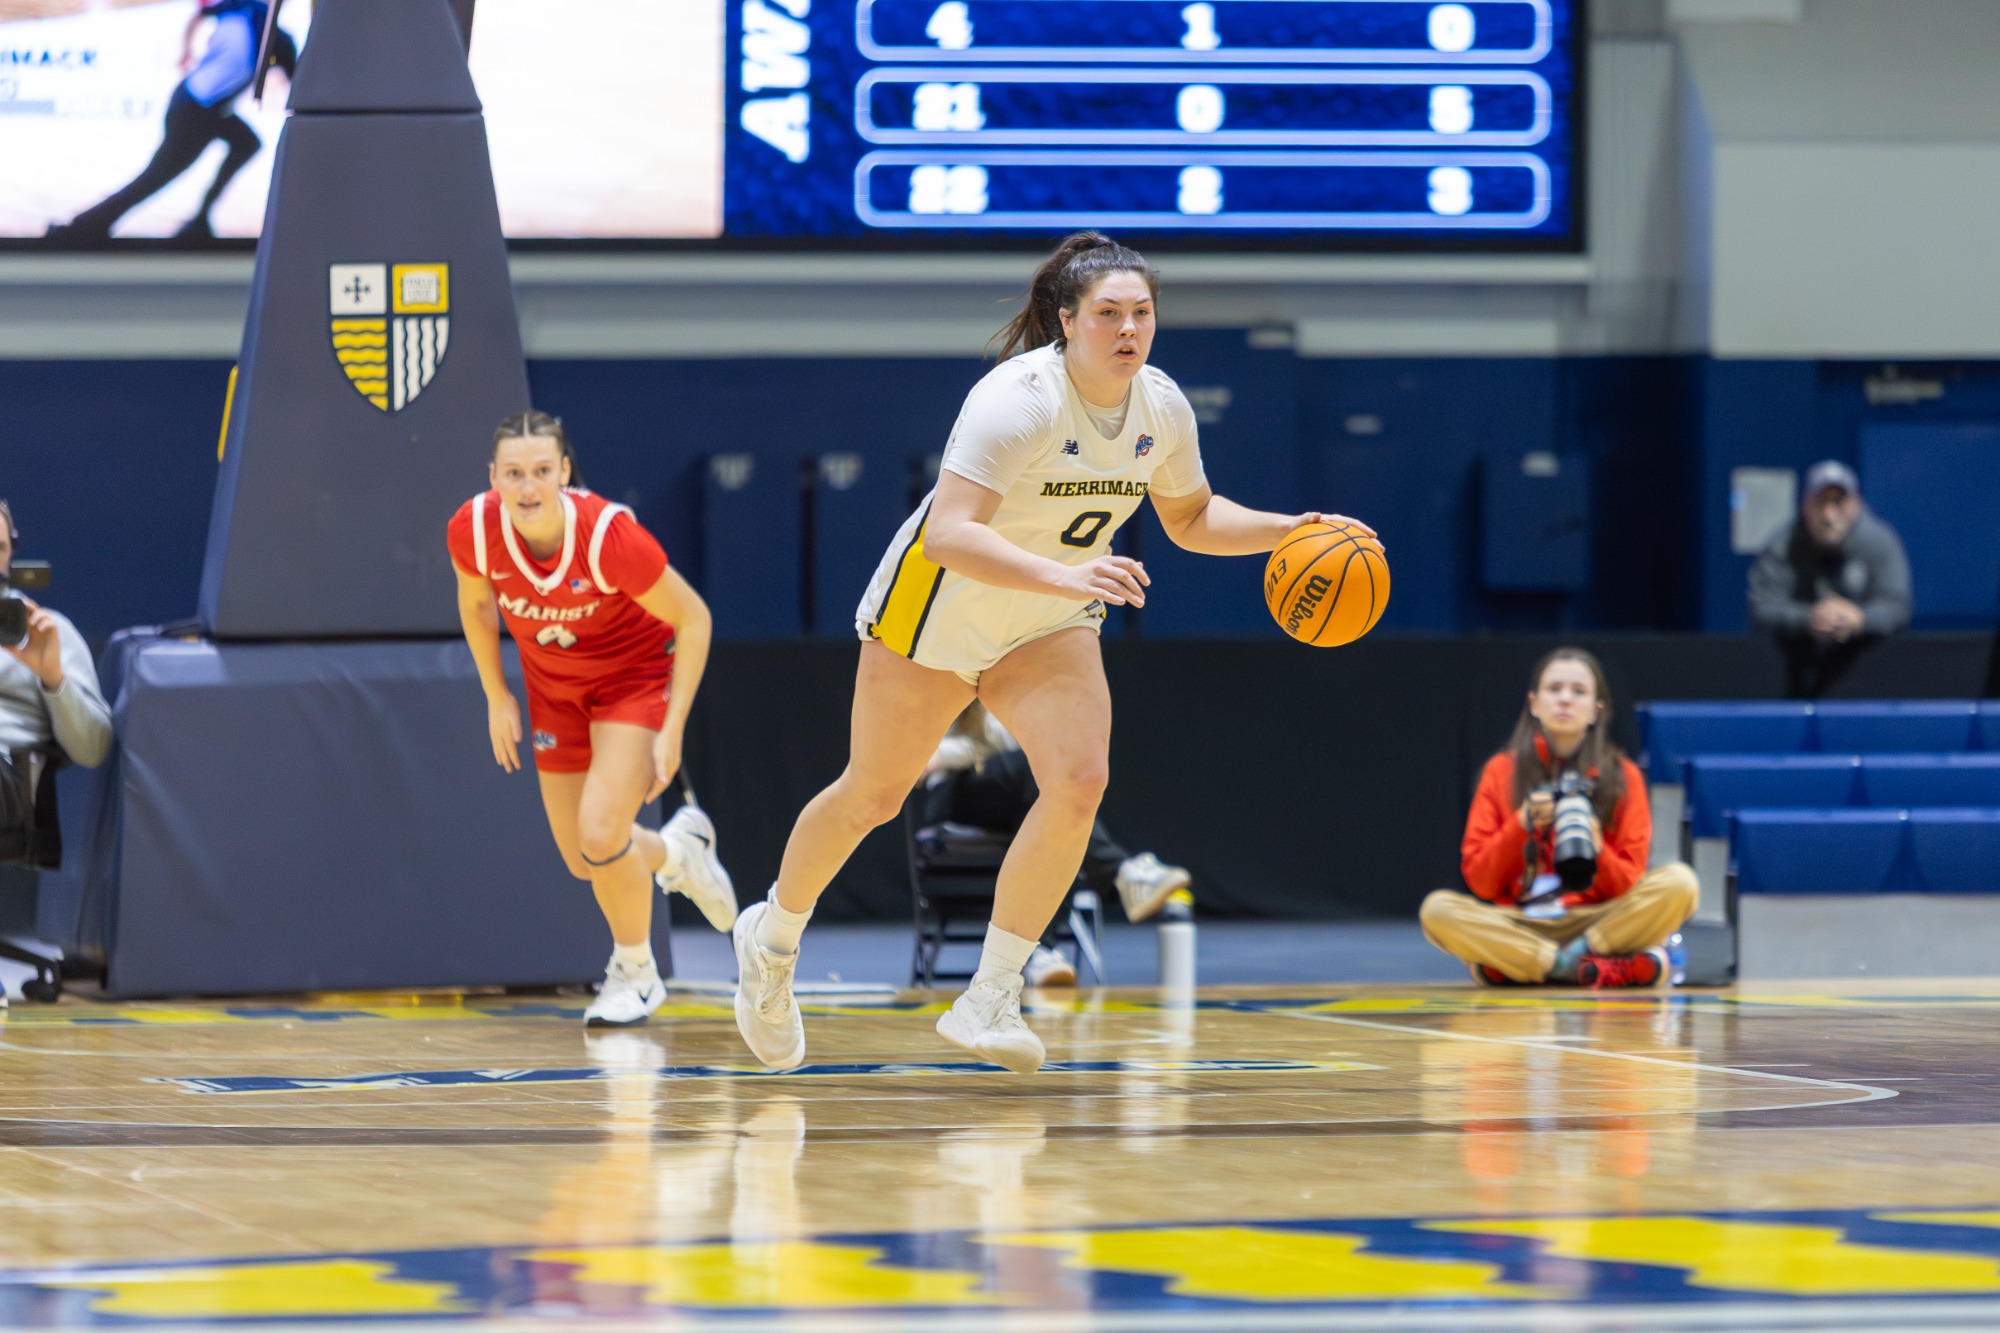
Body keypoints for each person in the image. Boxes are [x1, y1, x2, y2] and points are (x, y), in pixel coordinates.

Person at [730, 231, 1375, 1074]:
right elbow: (952, 534)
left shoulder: (1162, 407)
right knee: (873, 795)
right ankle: (772, 942)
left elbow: (1190, 517)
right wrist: (1065, 573)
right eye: (1108, 313)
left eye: (1142, 313)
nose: (1128, 329)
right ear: (1066, 321)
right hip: (940, 605)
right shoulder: (1018, 398)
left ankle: (991, 993)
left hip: (1049, 613)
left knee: (1078, 781)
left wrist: (1292, 530)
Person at [447, 412, 736, 1027]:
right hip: (555, 693)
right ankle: (677, 853)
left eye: (542, 472)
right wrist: (498, 695)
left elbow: (695, 619)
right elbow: (474, 603)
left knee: (603, 835)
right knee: (585, 857)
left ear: (565, 473)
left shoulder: (608, 537)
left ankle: (635, 973)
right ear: (493, 477)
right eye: (515, 473)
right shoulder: (472, 530)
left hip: (631, 681)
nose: (528, 488)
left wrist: (674, 728)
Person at [1420, 648, 1698, 988]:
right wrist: (1521, 826)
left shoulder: (1622, 775)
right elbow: (1480, 882)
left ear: (1598, 709)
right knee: (1437, 911)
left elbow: (1628, 882)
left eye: (1579, 692)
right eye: (1554, 689)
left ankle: (1521, 965)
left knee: (1681, 883)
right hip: (1522, 920)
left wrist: (1597, 847)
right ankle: (1578, 966)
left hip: (1599, 921)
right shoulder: (1502, 771)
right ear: (1534, 703)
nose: (1565, 699)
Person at [921, 701, 1192, 986]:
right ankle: (1120, 873)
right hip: (954, 790)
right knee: (1039, 774)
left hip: (1014, 790)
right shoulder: (951, 667)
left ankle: (1040, 951)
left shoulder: (1022, 674)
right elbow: (941, 750)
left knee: (1048, 808)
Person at [47, 0, 298, 242]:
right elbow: (297, 85)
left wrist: (186, 53)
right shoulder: (269, 28)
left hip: (199, 103)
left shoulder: (243, 10)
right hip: (196, 111)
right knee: (155, 177)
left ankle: (199, 219)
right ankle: (82, 228)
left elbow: (199, 17)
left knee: (246, 143)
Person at [1748, 460, 1911, 699]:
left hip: (1868, 683)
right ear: (1805, 507)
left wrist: (1860, 619)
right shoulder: (1783, 546)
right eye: (1820, 503)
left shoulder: (1879, 541)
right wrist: (1808, 618)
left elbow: (1897, 606)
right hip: (1792, 682)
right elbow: (1761, 608)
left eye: (1838, 502)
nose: (1829, 515)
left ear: (1856, 505)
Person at [0, 499, 113, 841]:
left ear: (10, 554)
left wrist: (53, 678)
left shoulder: (47, 633)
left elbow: (94, 749)